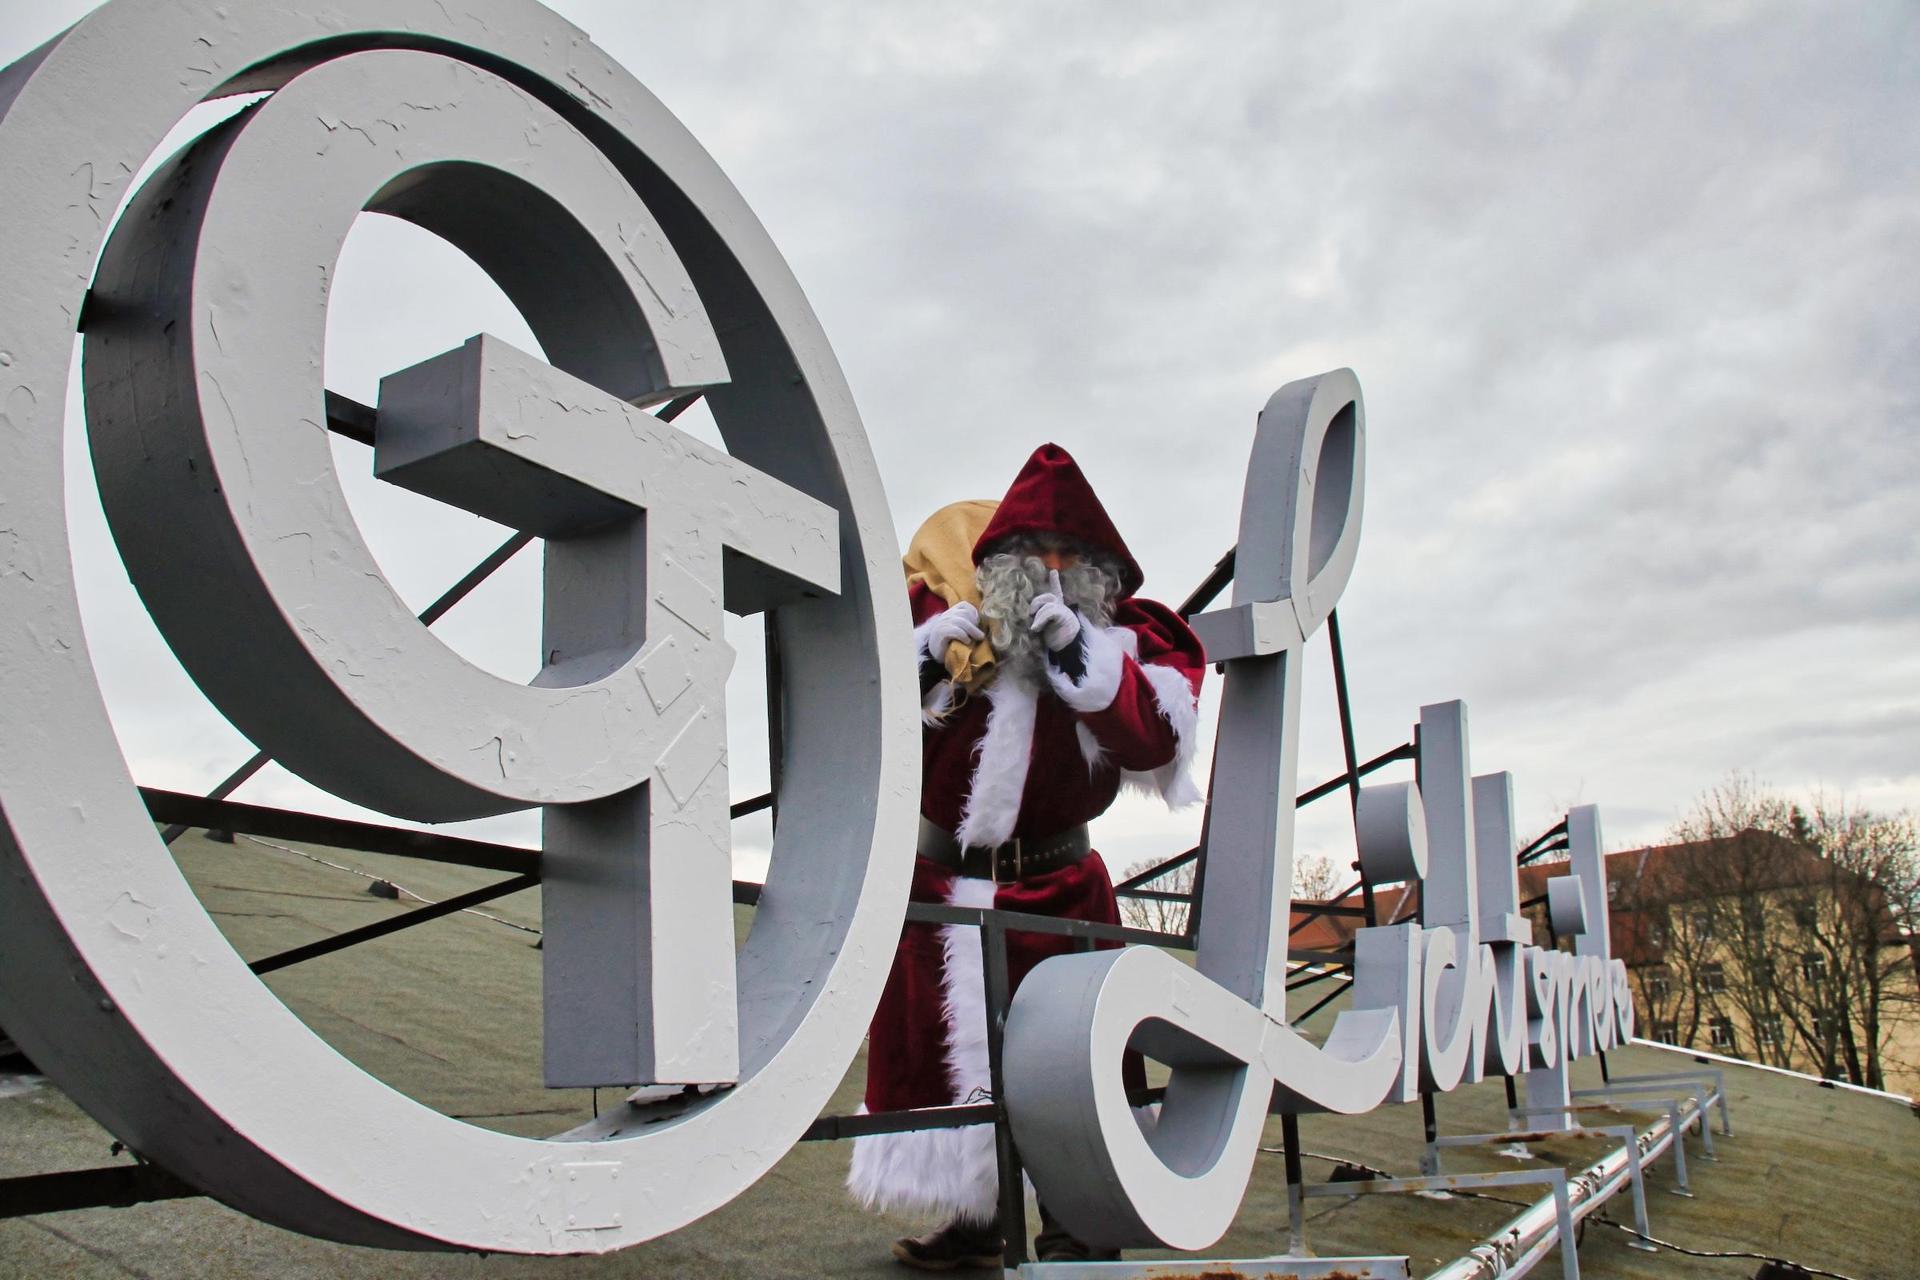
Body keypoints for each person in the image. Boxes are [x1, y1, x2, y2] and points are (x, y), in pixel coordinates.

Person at [848, 443, 1206, 1269]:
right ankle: (974, 1219)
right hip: (942, 890)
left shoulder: (1130, 641)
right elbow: (852, 711)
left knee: (1073, 1070)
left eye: (1069, 556)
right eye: (1030, 553)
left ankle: (1079, 1229)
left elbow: (1159, 744)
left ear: (1099, 569)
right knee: (940, 1063)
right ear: (997, 560)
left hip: (1060, 890)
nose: (1049, 569)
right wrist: (923, 658)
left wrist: (1089, 663)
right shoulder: (933, 619)